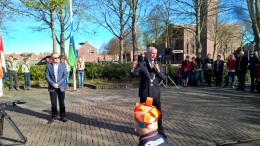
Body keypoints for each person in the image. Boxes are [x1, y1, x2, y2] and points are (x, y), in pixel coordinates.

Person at [130, 46, 167, 138]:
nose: (154, 55)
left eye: (155, 53)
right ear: (147, 54)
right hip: (145, 92)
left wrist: (158, 70)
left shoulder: (158, 63)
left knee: (157, 111)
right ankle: (145, 130)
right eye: (152, 53)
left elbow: (163, 77)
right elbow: (134, 74)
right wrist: (132, 68)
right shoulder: (142, 64)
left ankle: (160, 128)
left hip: (155, 92)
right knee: (145, 112)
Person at [45, 53, 68, 123]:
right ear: (52, 59)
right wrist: (53, 84)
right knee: (53, 103)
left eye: (58, 57)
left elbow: (65, 76)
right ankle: (54, 116)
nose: (57, 59)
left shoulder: (63, 66)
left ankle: (63, 116)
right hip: (52, 87)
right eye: (55, 58)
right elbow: (47, 76)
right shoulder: (48, 66)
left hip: (61, 87)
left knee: (62, 103)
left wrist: (58, 83)